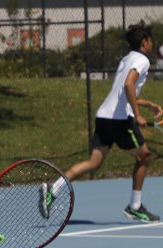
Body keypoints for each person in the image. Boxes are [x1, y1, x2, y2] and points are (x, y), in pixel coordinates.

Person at [43, 22, 163, 222]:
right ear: (144, 43)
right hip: (120, 120)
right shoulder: (142, 60)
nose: (152, 44)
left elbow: (123, 91)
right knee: (145, 157)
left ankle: (53, 190)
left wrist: (147, 104)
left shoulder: (126, 59)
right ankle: (135, 206)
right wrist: (137, 113)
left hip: (104, 116)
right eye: (150, 40)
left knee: (94, 162)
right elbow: (128, 84)